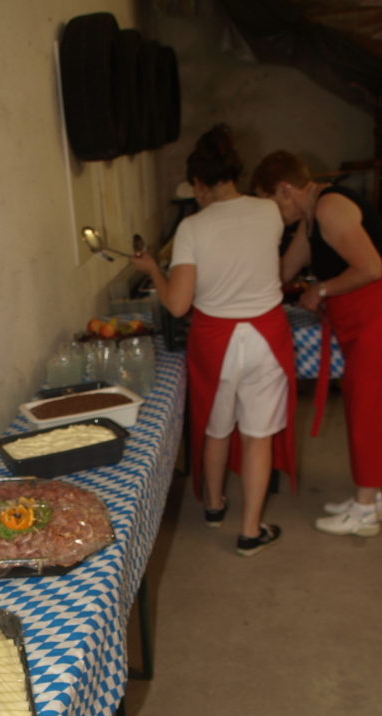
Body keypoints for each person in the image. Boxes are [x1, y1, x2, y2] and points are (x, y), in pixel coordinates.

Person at [131, 124, 296, 557]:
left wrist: (154, 270)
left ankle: (215, 507)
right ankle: (250, 531)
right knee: (258, 437)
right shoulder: (269, 211)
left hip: (216, 341)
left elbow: (178, 304)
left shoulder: (192, 227)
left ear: (199, 183)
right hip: (266, 336)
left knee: (216, 429)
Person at [250, 151, 382, 537]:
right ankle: (371, 495)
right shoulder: (310, 217)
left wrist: (322, 289)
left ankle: (364, 510)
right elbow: (284, 270)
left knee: (369, 410)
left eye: (268, 201)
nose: (269, 212)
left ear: (285, 190)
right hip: (359, 320)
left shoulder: (330, 208)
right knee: (362, 406)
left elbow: (370, 268)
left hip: (379, 315)